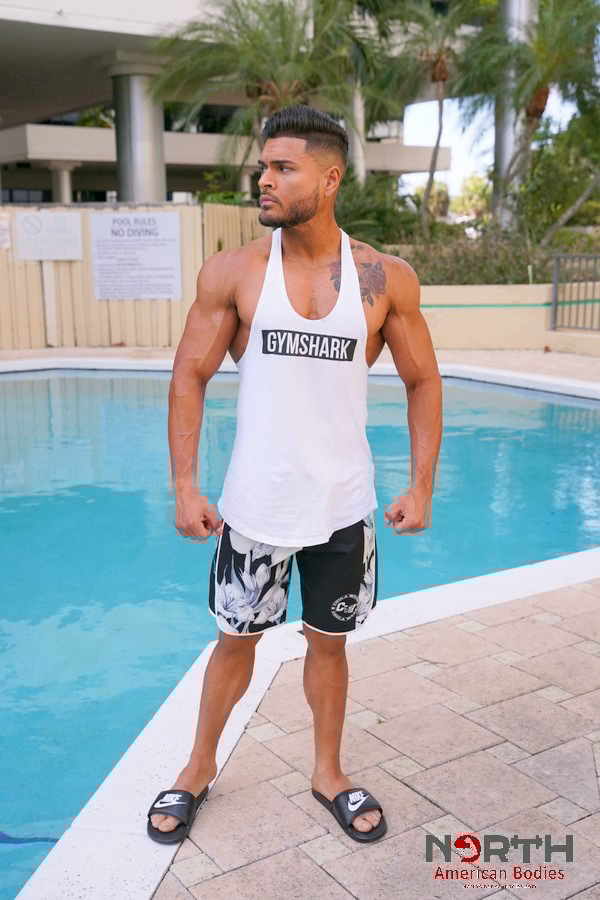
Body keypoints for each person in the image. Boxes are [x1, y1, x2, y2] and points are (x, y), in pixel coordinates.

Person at [147, 104, 442, 846]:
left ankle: (328, 773)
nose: (264, 179)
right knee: (235, 641)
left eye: (283, 167)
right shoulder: (236, 272)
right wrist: (185, 486)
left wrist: (422, 485)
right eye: (263, 167)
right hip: (256, 505)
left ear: (329, 178)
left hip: (343, 505)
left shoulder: (384, 278)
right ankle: (197, 768)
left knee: (329, 643)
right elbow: (189, 374)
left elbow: (423, 380)